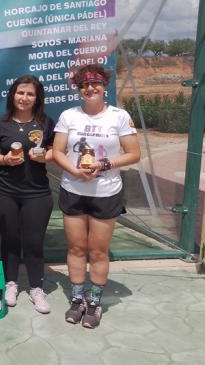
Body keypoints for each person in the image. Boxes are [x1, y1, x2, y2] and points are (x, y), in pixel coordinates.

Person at [52, 64, 140, 328]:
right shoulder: (69, 115)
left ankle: (95, 303)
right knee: (77, 248)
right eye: (84, 85)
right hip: (73, 190)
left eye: (96, 84)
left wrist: (103, 165)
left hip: (106, 192)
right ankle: (77, 300)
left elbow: (133, 153)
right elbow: (57, 151)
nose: (90, 88)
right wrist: (75, 171)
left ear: (105, 87)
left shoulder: (119, 116)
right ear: (79, 90)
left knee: (99, 251)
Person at [0, 75, 55, 314]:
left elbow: (55, 151)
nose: (24, 98)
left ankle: (37, 288)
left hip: (37, 193)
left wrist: (45, 156)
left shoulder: (46, 123)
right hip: (5, 192)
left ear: (37, 98)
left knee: (34, 243)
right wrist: (4, 159)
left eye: (30, 94)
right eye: (20, 92)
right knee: (10, 240)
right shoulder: (0, 124)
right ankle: (11, 283)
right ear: (12, 95)